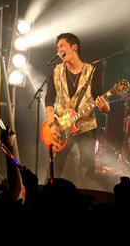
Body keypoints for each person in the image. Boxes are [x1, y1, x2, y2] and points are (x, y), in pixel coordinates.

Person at [44, 32, 110, 187]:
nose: (59, 50)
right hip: (61, 127)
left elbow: (101, 100)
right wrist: (52, 124)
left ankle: (85, 199)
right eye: (57, 48)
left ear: (74, 47)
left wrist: (105, 108)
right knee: (54, 170)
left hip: (86, 128)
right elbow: (49, 100)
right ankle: (47, 196)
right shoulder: (55, 71)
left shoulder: (92, 72)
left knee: (87, 171)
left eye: (62, 46)